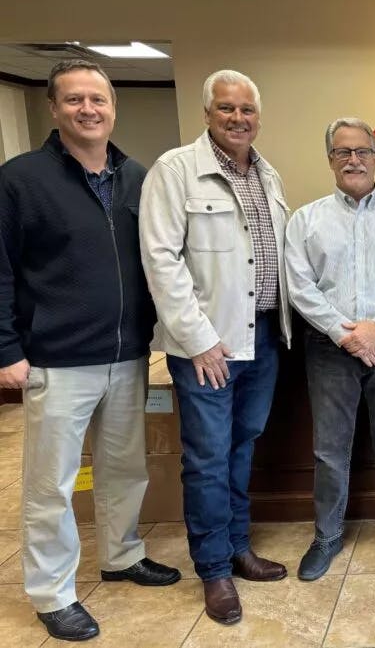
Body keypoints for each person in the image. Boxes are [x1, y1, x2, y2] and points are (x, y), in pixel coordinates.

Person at [0, 59, 180, 642]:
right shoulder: (21, 179)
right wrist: (6, 347)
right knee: (51, 483)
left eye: (98, 99)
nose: (88, 109)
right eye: (74, 100)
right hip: (55, 357)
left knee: (124, 470)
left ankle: (122, 556)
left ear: (113, 107)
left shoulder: (137, 177)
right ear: (54, 108)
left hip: (128, 353)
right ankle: (53, 591)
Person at [140, 69, 292, 623]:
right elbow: (161, 260)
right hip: (208, 347)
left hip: (264, 339)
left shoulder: (268, 175)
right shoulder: (176, 170)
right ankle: (214, 571)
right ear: (207, 113)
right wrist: (200, 341)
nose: (238, 118)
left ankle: (237, 548)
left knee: (241, 448)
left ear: (258, 116)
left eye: (247, 109)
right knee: (206, 459)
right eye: (226, 108)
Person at [284, 117, 375, 580]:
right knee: (330, 448)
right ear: (330, 160)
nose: (354, 160)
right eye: (343, 152)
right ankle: (327, 536)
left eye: (362, 151)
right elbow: (299, 286)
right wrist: (345, 334)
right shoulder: (306, 220)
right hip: (330, 350)